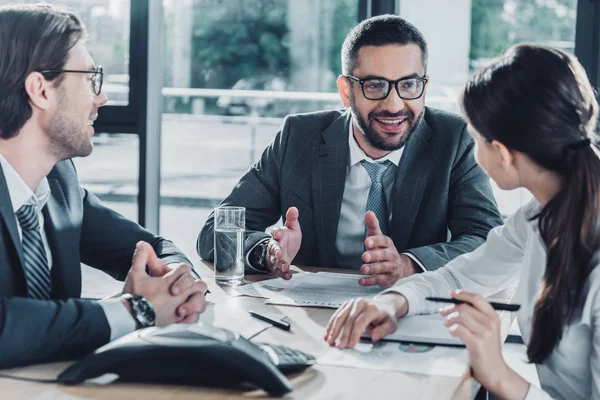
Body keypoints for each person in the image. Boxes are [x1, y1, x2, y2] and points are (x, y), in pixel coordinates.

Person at [324, 44, 600, 400]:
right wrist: (392, 302)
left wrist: (500, 376)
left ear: (500, 153)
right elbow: (457, 276)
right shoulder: (538, 214)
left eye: (474, 136)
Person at [197, 15, 502, 287]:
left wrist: (408, 265)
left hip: (409, 308)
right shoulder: (299, 138)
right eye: (375, 85)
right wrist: (268, 251)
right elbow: (215, 230)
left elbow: (487, 241)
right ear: (346, 91)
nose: (394, 105)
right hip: (314, 317)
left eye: (408, 85)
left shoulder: (455, 139)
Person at [0, 3, 207, 369]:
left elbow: (151, 247)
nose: (101, 98)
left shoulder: (58, 182)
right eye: (90, 78)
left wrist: (174, 285)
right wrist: (135, 311)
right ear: (40, 90)